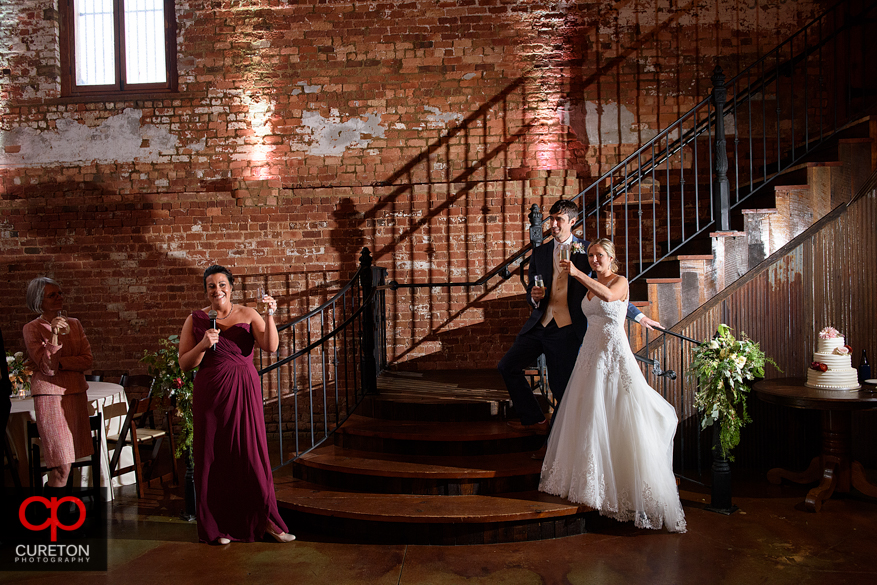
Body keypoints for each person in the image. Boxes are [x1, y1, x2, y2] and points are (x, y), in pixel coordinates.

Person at [539, 239, 686, 532]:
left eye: (599, 255)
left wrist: (577, 274)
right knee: (589, 414)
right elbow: (599, 300)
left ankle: (624, 485)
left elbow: (611, 297)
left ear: (611, 257)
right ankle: (588, 484)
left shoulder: (619, 280)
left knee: (620, 412)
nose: (594, 259)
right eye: (591, 255)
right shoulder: (590, 281)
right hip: (589, 356)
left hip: (613, 353)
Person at [498, 199, 662, 435]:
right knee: (507, 366)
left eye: (559, 220)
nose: (553, 224)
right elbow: (533, 289)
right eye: (551, 218)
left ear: (572, 222)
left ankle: (556, 442)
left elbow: (608, 287)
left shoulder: (588, 251)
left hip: (568, 329)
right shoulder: (540, 252)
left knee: (562, 389)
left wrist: (639, 316)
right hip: (540, 324)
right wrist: (534, 297)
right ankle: (536, 419)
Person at [178, 265, 294, 545]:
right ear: (206, 290)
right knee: (213, 458)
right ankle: (216, 527)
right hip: (210, 394)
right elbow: (184, 363)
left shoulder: (248, 314)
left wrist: (269, 315)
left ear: (231, 286)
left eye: (221, 284)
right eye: (210, 286)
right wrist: (203, 344)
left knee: (250, 453)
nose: (216, 290)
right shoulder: (195, 319)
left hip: (244, 390)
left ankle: (266, 521)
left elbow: (271, 346)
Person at [22, 277, 94, 497]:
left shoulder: (75, 323)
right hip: (50, 399)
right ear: (39, 301)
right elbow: (48, 368)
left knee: (70, 462)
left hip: (75, 395)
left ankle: (65, 517)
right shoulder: (32, 329)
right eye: (52, 295)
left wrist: (63, 362)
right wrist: (53, 336)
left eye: (60, 293)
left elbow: (87, 360)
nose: (59, 297)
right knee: (61, 466)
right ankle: (53, 523)